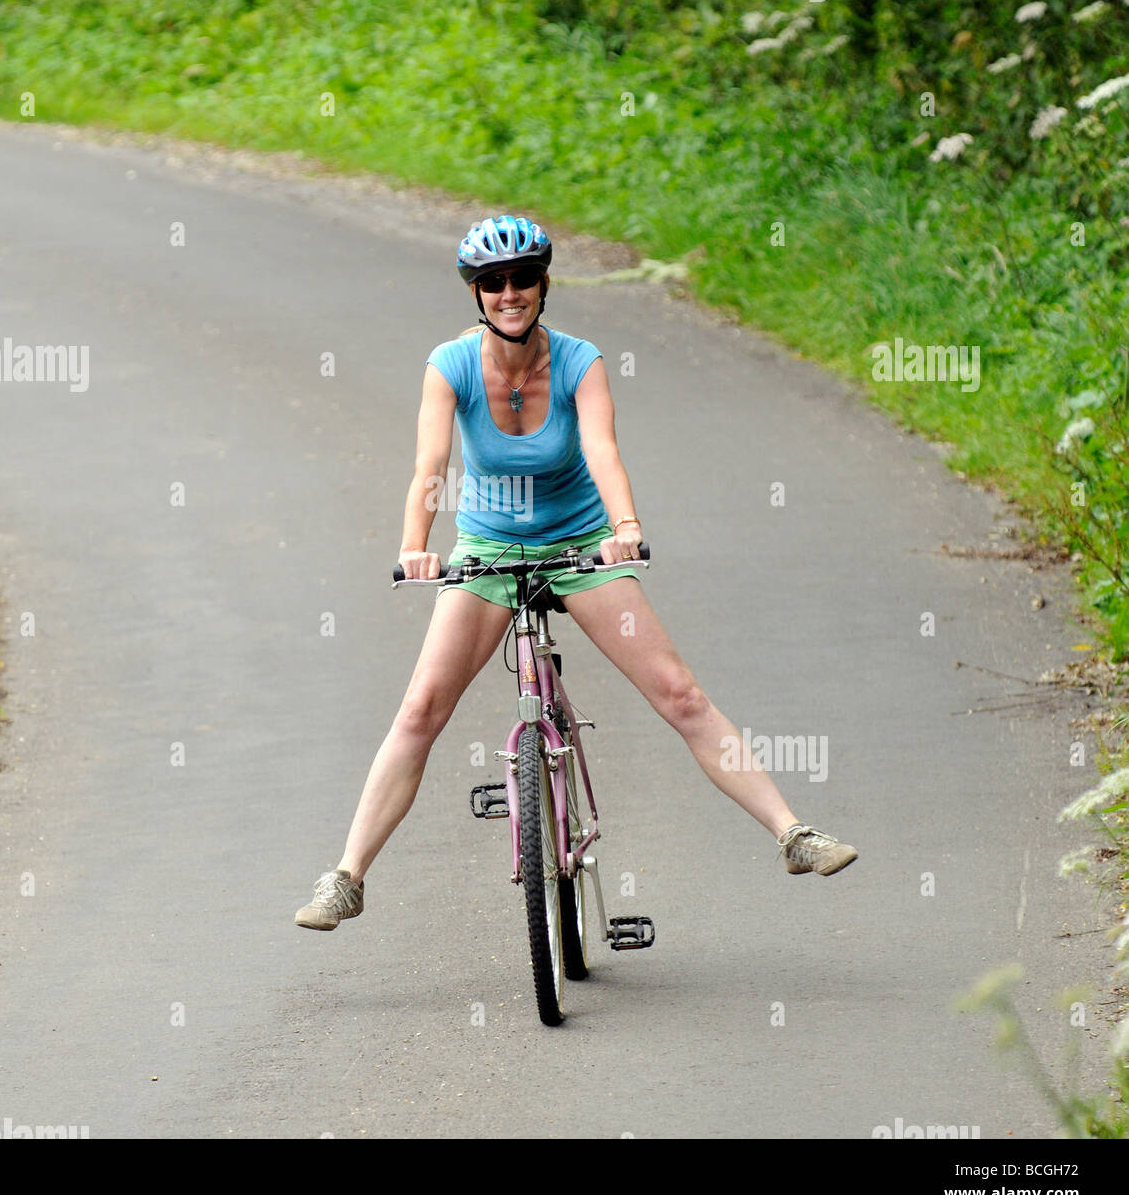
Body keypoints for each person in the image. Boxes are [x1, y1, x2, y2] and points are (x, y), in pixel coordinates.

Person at [295, 214, 856, 929]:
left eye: (521, 278)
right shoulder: (451, 365)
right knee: (420, 708)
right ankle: (347, 877)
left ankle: (792, 833)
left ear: (543, 284)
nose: (508, 293)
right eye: (492, 282)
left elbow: (602, 449)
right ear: (476, 293)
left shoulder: (581, 361)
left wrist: (626, 529)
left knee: (679, 693)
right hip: (490, 548)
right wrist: (416, 545)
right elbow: (428, 468)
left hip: (580, 541)